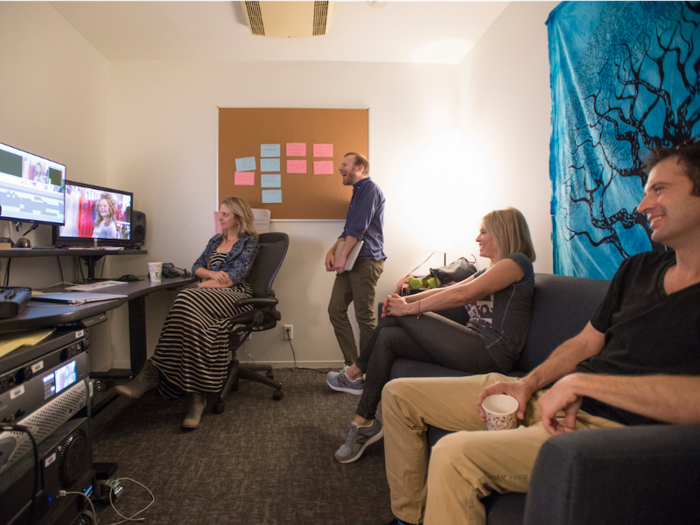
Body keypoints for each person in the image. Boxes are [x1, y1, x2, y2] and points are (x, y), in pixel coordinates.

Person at [380, 141, 700, 525]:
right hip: (553, 397)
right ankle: (410, 518)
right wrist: (527, 384)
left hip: (610, 430)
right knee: (398, 394)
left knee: (454, 455)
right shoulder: (638, 269)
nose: (642, 206)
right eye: (646, 191)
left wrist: (584, 385)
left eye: (660, 190)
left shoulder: (515, 264)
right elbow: (585, 342)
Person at [329, 207, 536, 464]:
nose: (477, 238)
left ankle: (353, 374)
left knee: (396, 316)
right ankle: (363, 423)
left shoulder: (517, 263)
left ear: (502, 232)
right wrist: (404, 298)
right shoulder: (489, 270)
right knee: (388, 337)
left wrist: (408, 308)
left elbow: (465, 295)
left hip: (491, 353)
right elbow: (452, 289)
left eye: (483, 231)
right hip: (470, 344)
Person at [115, 197, 259, 429]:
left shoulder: (249, 243)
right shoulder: (215, 241)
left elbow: (235, 277)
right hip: (211, 294)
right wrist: (211, 275)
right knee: (193, 320)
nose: (219, 218)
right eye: (219, 213)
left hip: (237, 296)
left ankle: (152, 372)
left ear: (238, 218)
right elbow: (197, 267)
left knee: (185, 296)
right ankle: (197, 396)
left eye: (225, 214)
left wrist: (202, 285)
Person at [326, 152, 386, 368]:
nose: (339, 168)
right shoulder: (357, 193)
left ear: (359, 168)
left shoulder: (369, 189)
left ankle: (368, 372)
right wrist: (332, 251)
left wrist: (342, 255)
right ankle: (353, 366)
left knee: (364, 317)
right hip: (351, 261)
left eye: (345, 164)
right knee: (335, 309)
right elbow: (348, 230)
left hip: (366, 261)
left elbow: (359, 227)